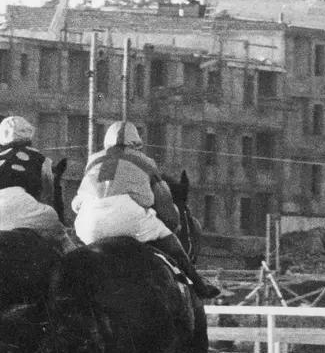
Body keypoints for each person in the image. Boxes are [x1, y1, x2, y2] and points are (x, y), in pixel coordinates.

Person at [72, 120, 221, 298]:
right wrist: (171, 226)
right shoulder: (145, 161)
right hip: (126, 216)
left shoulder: (93, 159)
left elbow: (76, 203)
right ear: (136, 142)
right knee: (169, 238)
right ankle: (199, 285)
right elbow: (163, 206)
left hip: (87, 221)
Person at [0, 115, 71, 249]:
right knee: (59, 234)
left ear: (0, 137)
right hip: (22, 211)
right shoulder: (41, 160)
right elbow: (50, 197)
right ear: (29, 137)